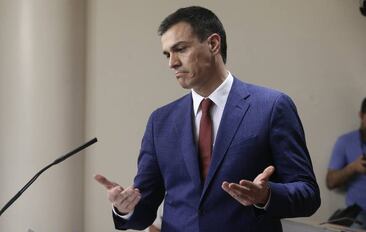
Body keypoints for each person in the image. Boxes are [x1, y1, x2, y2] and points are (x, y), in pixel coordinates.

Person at [95, 6, 320, 231]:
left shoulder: (272, 106)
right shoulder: (160, 121)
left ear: (213, 44)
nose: (171, 62)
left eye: (180, 49)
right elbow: (144, 209)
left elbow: (308, 194)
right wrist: (125, 208)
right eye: (167, 54)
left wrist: (266, 195)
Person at [326, 98, 366, 229]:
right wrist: (353, 168)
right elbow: (330, 182)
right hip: (359, 212)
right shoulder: (346, 141)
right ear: (361, 115)